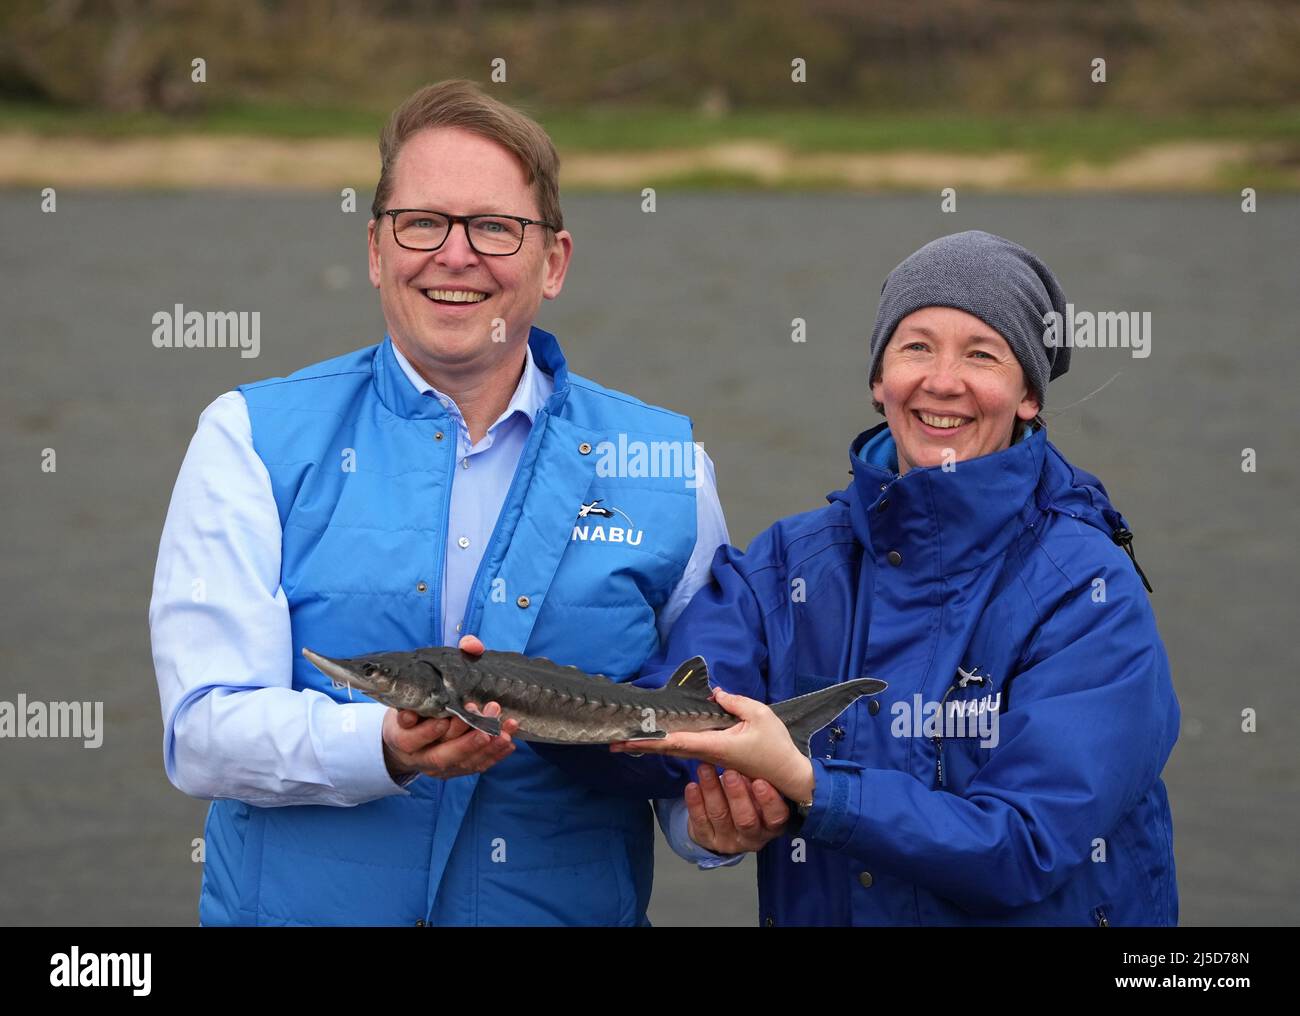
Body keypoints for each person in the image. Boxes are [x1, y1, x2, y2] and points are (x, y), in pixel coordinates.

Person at [149, 79, 728, 926]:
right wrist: (378, 746)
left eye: (495, 227)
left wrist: (716, 822)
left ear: (553, 260)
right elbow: (201, 729)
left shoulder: (666, 462)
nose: (455, 256)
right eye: (423, 223)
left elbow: (700, 745)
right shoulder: (247, 438)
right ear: (378, 249)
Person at [552, 230, 1180, 925]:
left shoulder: (1087, 589)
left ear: (1028, 393)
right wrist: (516, 705)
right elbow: (648, 739)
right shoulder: (788, 562)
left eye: (981, 354)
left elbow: (1023, 848)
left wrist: (810, 786)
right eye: (916, 346)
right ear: (879, 380)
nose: (943, 381)